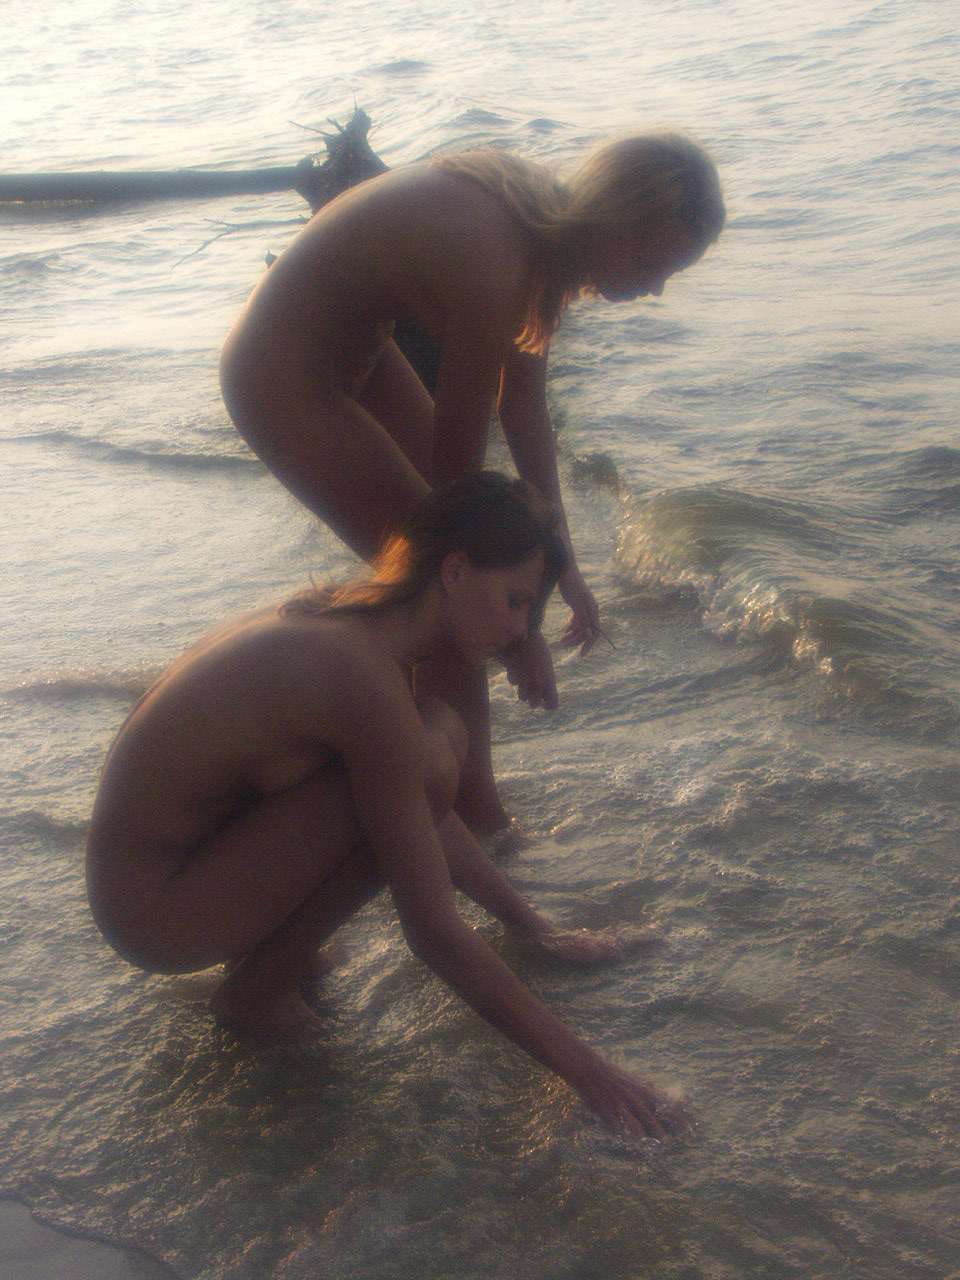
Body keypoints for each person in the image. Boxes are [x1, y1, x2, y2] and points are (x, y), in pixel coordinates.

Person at [86, 474, 680, 1137]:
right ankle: (257, 991)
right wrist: (591, 1074)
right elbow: (433, 932)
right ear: (455, 570)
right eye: (513, 601)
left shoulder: (354, 621)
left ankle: (268, 960)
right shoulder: (363, 675)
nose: (517, 629)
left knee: (424, 747)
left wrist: (531, 928)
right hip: (156, 913)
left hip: (152, 881)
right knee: (431, 748)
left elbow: (415, 809)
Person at [220, 132, 725, 838]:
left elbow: (525, 413)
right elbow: (458, 500)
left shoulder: (546, 234)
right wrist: (519, 636)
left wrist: (560, 567)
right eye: (651, 265)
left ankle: (392, 753)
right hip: (280, 367)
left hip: (357, 347)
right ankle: (477, 819)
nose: (655, 288)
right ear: (615, 222)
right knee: (446, 596)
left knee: (449, 585)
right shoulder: (498, 265)